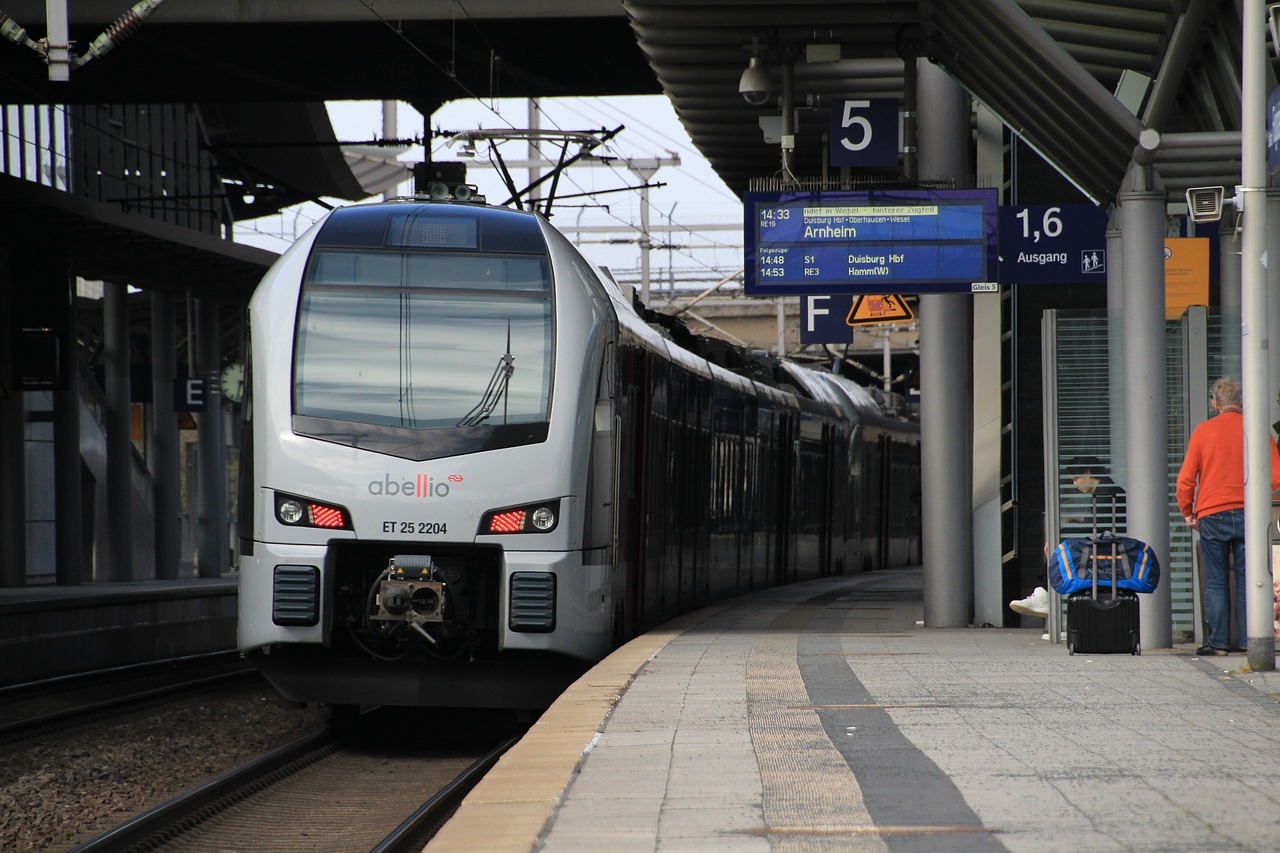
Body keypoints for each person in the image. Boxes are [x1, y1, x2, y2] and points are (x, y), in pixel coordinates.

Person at [1176, 377, 1280, 656]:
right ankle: (1250, 642)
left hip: (1212, 514)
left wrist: (1188, 512)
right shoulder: (1257, 430)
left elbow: (1185, 480)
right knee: (1250, 579)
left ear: (1215, 404)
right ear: (1242, 403)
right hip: (1250, 513)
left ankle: (1219, 643)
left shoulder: (1203, 432)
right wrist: (1255, 495)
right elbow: (1276, 475)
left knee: (1217, 580)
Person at [1010, 456, 1126, 619]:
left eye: (1075, 479)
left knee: (1063, 550)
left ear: (1087, 473)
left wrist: (1062, 534)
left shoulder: (1107, 493)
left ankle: (1045, 595)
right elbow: (1099, 525)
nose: (1074, 484)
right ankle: (1046, 596)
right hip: (1107, 548)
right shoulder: (1106, 491)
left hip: (1109, 552)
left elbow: (1098, 526)